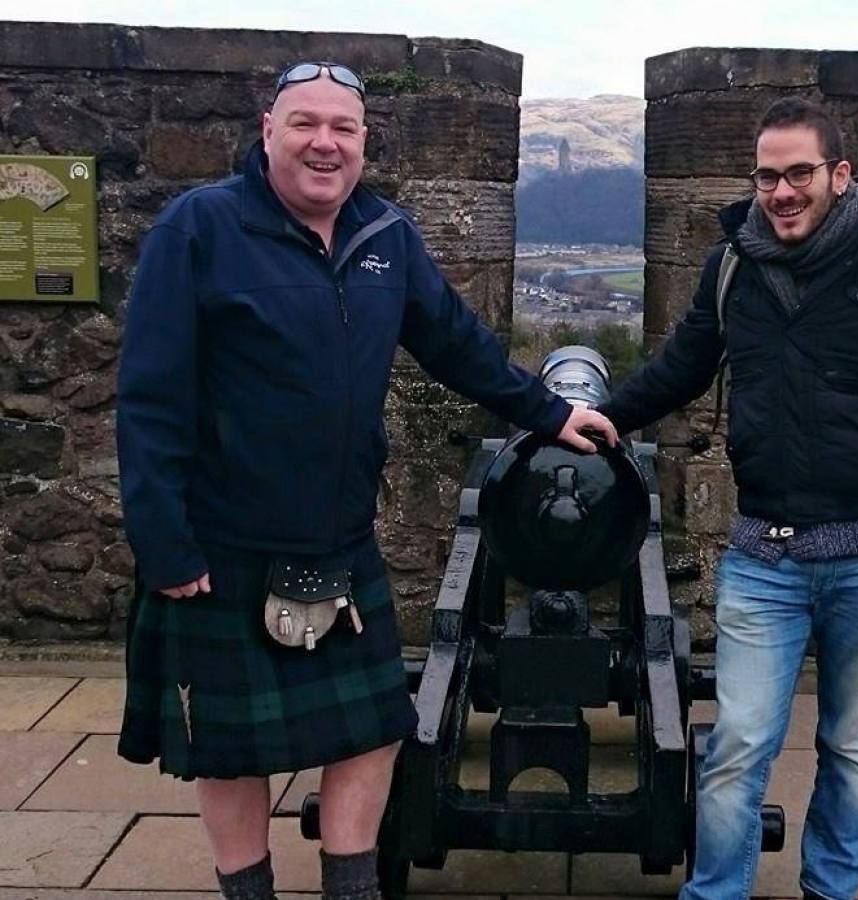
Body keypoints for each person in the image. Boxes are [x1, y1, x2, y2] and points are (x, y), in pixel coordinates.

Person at [115, 61, 616, 900]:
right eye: (305, 123)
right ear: (268, 130)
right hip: (223, 540)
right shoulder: (198, 228)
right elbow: (150, 396)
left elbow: (455, 341)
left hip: (341, 537)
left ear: (363, 142)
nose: (325, 143)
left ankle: (352, 891)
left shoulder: (384, 234)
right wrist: (163, 541)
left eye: (342, 128)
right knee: (229, 749)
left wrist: (546, 412)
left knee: (375, 730)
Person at [599, 98, 858, 900]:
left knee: (851, 744)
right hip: (764, 554)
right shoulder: (735, 262)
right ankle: (717, 893)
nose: (781, 192)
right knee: (738, 742)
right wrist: (598, 418)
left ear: (839, 176)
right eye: (768, 176)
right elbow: (684, 366)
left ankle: (832, 889)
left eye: (799, 173)